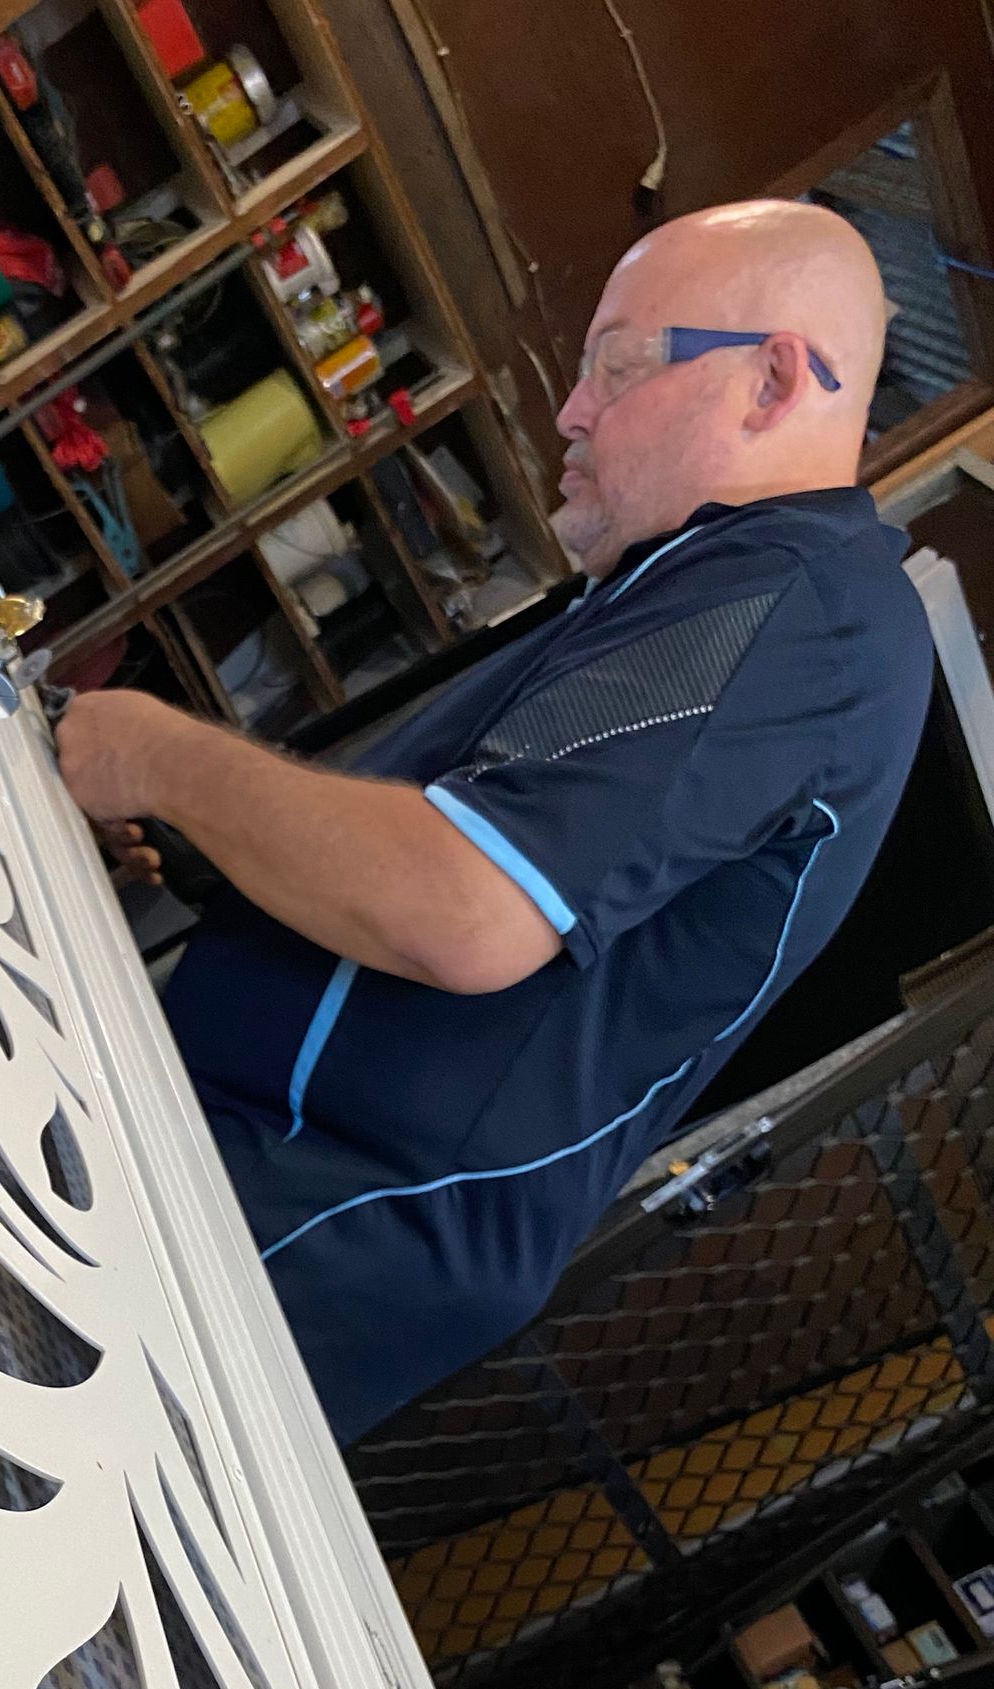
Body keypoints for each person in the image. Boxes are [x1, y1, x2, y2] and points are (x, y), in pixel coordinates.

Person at [57, 200, 933, 1445]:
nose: (571, 411)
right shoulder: (710, 584)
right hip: (248, 1163)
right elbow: (447, 838)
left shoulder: (791, 603)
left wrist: (159, 754)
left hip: (299, 1208)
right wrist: (218, 842)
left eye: (619, 365)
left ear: (772, 379)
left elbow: (464, 907)